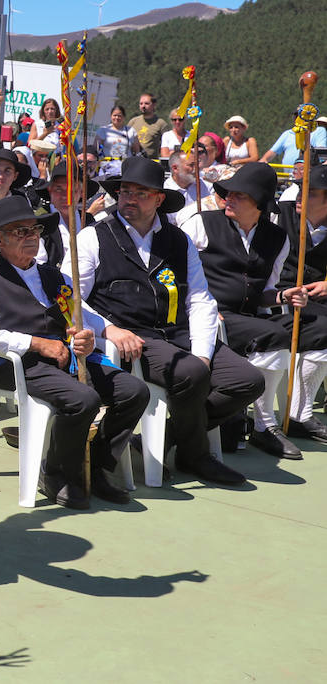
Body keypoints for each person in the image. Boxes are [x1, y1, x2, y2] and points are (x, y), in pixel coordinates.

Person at [77, 156, 265, 486]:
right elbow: (72, 299)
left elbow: (200, 299)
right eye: (124, 191)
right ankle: (196, 456)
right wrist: (109, 328)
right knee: (191, 373)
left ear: (159, 199)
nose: (129, 198)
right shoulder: (94, 237)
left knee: (248, 380)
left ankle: (163, 438)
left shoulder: (179, 240)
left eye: (140, 193)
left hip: (179, 334)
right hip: (131, 337)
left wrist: (204, 352)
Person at [0, 196, 149, 508]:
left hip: (66, 360)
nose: (31, 238)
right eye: (20, 232)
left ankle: (99, 465)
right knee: (84, 399)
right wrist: (33, 343)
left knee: (134, 391)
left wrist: (88, 337)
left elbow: (82, 318)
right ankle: (57, 472)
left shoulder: (55, 276)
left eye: (34, 231)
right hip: (20, 365)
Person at [182, 162, 327, 460]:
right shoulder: (201, 223)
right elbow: (175, 276)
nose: (228, 199)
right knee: (273, 335)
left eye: (239, 195)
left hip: (249, 316)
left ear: (259, 204)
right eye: (228, 193)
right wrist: (202, 310)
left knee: (320, 328)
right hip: (209, 317)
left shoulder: (277, 237)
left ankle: (300, 414)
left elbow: (264, 294)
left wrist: (285, 295)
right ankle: (265, 426)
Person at [272, 165, 327, 443]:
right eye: (300, 189)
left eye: (310, 193)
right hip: (281, 295)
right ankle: (297, 416)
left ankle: (299, 414)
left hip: (318, 297)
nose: (299, 196)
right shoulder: (280, 216)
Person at [35, 168, 99, 272]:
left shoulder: (88, 220)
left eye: (72, 190)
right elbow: (37, 263)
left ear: (81, 193)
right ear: (50, 190)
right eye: (59, 189)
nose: (66, 196)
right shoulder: (40, 220)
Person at [94, 105, 138, 171]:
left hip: (126, 167)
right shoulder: (103, 130)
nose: (117, 118)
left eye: (119, 116)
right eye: (114, 115)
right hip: (108, 166)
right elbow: (95, 149)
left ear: (124, 117)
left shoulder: (131, 131)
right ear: (111, 116)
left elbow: (136, 150)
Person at [132, 92, 168, 159]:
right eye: (141, 103)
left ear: (154, 105)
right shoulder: (133, 122)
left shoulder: (161, 123)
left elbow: (166, 143)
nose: (143, 106)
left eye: (146, 103)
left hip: (151, 162)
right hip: (134, 160)